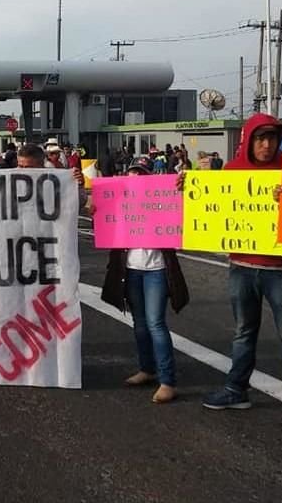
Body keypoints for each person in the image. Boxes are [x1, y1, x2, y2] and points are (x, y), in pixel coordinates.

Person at [194, 113, 282, 433]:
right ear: (248, 140)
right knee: (243, 332)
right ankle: (236, 390)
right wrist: (190, 189)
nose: (266, 145)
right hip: (242, 267)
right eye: (260, 138)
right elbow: (213, 210)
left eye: (272, 138)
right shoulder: (231, 171)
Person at [101, 156, 189, 404]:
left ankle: (167, 381)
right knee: (139, 323)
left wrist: (181, 189)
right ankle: (147, 369)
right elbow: (103, 217)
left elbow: (182, 213)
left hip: (156, 269)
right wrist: (95, 209)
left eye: (142, 173)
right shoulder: (120, 201)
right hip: (130, 269)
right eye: (133, 173)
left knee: (155, 323)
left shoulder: (162, 200)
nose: (137, 177)